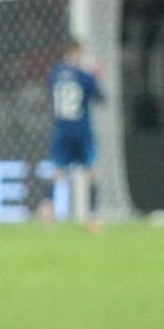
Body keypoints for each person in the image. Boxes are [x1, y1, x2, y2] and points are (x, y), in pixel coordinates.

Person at [43, 39, 106, 228]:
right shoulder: (83, 75)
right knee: (92, 173)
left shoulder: (54, 73)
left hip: (61, 129)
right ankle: (92, 217)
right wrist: (95, 75)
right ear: (77, 53)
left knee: (56, 172)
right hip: (81, 130)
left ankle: (47, 213)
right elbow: (100, 98)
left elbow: (51, 93)